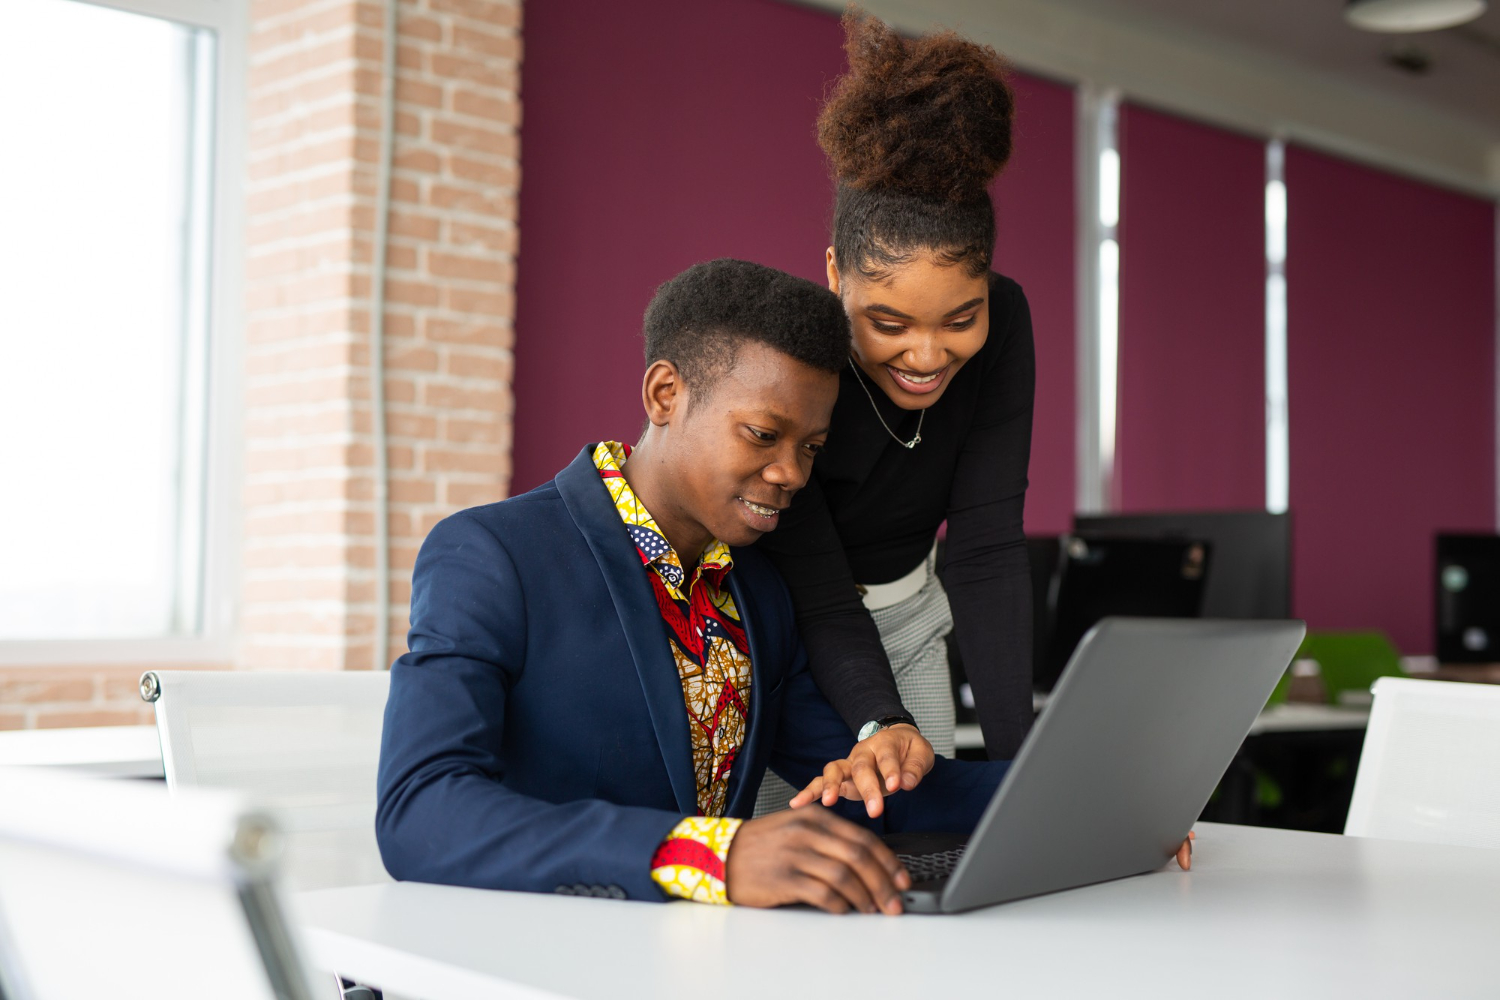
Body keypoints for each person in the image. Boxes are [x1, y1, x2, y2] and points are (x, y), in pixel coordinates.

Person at [376, 259, 1012, 914]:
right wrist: (712, 855)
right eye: (763, 435)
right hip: (522, 958)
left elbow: (876, 796)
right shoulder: (492, 554)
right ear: (664, 395)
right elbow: (419, 809)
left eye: (812, 447)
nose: (792, 473)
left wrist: (1080, 790)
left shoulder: (757, 592)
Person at [755, 11, 1038, 818]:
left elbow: (986, 552)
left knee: (925, 846)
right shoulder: (799, 351)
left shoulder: (1009, 322)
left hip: (914, 619)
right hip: (797, 633)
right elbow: (815, 585)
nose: (926, 356)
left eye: (960, 319)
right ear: (837, 273)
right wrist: (880, 719)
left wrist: (1027, 781)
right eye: (888, 324)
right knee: (800, 859)